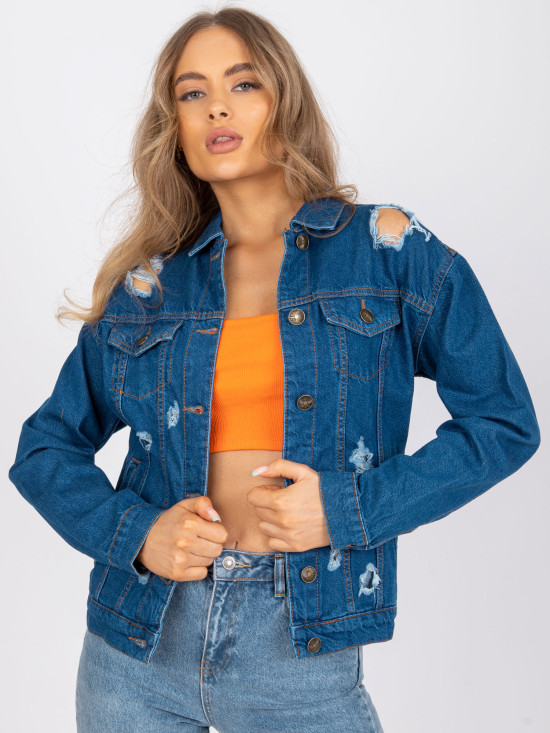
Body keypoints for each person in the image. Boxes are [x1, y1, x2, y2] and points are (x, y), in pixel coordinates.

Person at [8, 6, 540, 732]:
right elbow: (44, 448)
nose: (216, 107)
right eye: (192, 93)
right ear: (175, 126)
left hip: (299, 643)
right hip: (135, 647)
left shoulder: (388, 252)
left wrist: (348, 509)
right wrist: (137, 533)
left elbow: (503, 423)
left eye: (243, 83)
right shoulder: (150, 286)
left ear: (284, 100)